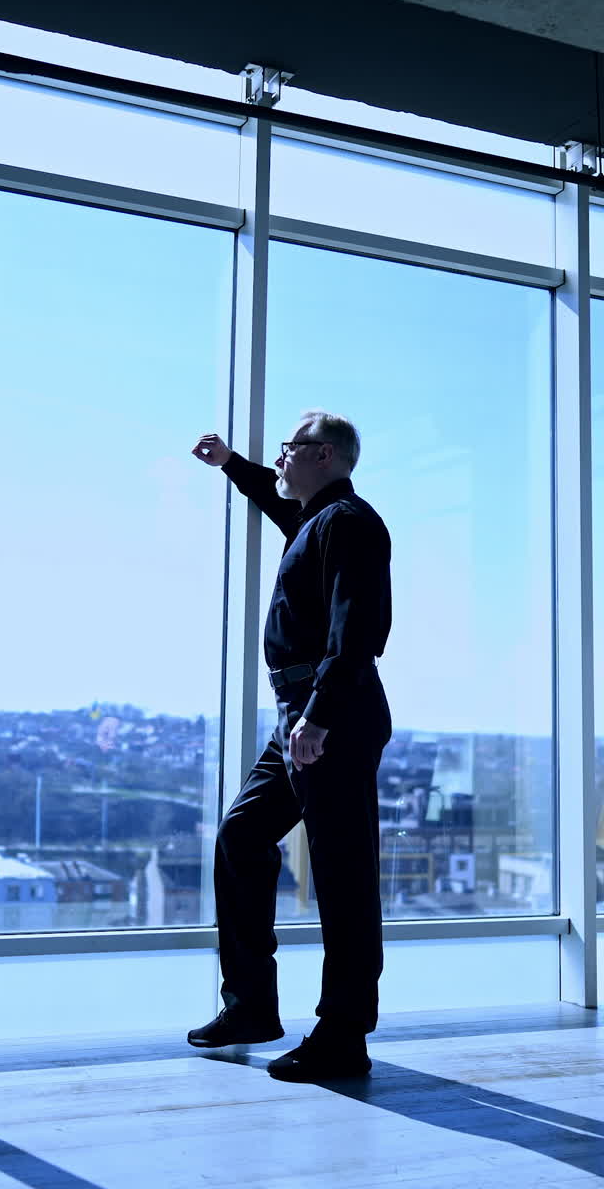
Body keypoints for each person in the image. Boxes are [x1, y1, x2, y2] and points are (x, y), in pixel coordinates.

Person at [187, 411, 392, 1083]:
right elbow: (276, 498)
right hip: (300, 717)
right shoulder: (314, 522)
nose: (280, 459)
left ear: (324, 454)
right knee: (242, 837)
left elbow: (359, 627)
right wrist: (232, 465)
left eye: (288, 448)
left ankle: (343, 1036)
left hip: (327, 717)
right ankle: (250, 1007)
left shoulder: (349, 523)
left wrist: (320, 716)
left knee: (342, 877)